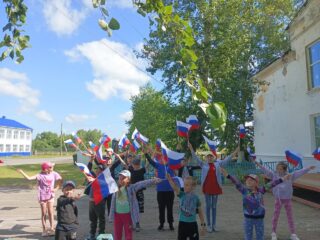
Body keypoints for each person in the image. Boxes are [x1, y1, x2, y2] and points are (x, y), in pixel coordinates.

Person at [220, 168, 291, 240]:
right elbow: (236, 182)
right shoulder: (244, 190)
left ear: (256, 183)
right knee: (248, 237)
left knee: (260, 236)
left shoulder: (261, 190)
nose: (248, 181)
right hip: (248, 218)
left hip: (259, 219)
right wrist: (228, 175)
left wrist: (282, 179)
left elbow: (272, 184)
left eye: (251, 180)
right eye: (247, 179)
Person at [254, 160, 316, 240]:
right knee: (275, 216)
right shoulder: (274, 175)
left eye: (280, 169)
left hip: (287, 199)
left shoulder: (290, 176)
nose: (278, 170)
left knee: (290, 216)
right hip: (278, 199)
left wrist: (308, 168)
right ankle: (273, 233)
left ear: (284, 169)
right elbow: (266, 171)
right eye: (277, 168)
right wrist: (258, 164)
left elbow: (299, 172)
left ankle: (293, 234)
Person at [188, 142, 239, 232]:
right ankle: (208, 225)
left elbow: (227, 159)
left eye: (211, 156)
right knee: (208, 206)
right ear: (206, 158)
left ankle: (214, 225)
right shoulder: (203, 164)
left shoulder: (218, 164)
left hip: (215, 188)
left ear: (214, 157)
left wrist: (235, 151)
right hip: (207, 188)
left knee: (214, 207)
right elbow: (195, 158)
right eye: (208, 156)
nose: (209, 158)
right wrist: (191, 148)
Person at [109, 170, 162, 240]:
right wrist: (111, 216)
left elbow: (142, 183)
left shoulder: (132, 188)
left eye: (123, 178)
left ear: (128, 179)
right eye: (120, 178)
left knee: (128, 235)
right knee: (117, 235)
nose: (121, 180)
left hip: (128, 216)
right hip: (117, 216)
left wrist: (153, 180)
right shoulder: (115, 189)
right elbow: (112, 204)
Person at [17, 162, 62, 237]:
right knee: (44, 213)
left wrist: (56, 188)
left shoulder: (54, 173)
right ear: (46, 169)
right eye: (50, 167)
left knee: (51, 212)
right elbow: (29, 178)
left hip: (50, 195)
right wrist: (22, 172)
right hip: (42, 196)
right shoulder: (40, 175)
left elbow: (60, 179)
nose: (52, 167)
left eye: (52, 166)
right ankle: (44, 230)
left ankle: (52, 228)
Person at [143, 145, 176, 231]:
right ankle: (161, 223)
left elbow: (176, 158)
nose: (162, 159)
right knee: (161, 208)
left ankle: (170, 223)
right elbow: (150, 161)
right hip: (160, 191)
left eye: (164, 158)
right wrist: (146, 154)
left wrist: (178, 149)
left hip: (170, 191)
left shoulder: (171, 166)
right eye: (162, 158)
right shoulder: (158, 165)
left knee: (170, 208)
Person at [166, 174, 206, 240]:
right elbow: (175, 187)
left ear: (193, 186)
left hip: (193, 225)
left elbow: (200, 213)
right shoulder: (181, 194)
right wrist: (169, 179)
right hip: (182, 224)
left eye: (187, 185)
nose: (184, 186)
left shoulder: (196, 198)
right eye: (184, 184)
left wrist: (203, 225)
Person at [128, 157, 146, 231]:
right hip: (132, 192)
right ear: (132, 164)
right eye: (135, 164)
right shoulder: (130, 170)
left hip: (139, 192)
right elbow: (124, 164)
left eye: (137, 164)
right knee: (131, 208)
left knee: (138, 209)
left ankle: (137, 223)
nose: (136, 166)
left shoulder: (142, 170)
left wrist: (148, 156)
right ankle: (131, 224)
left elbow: (147, 164)